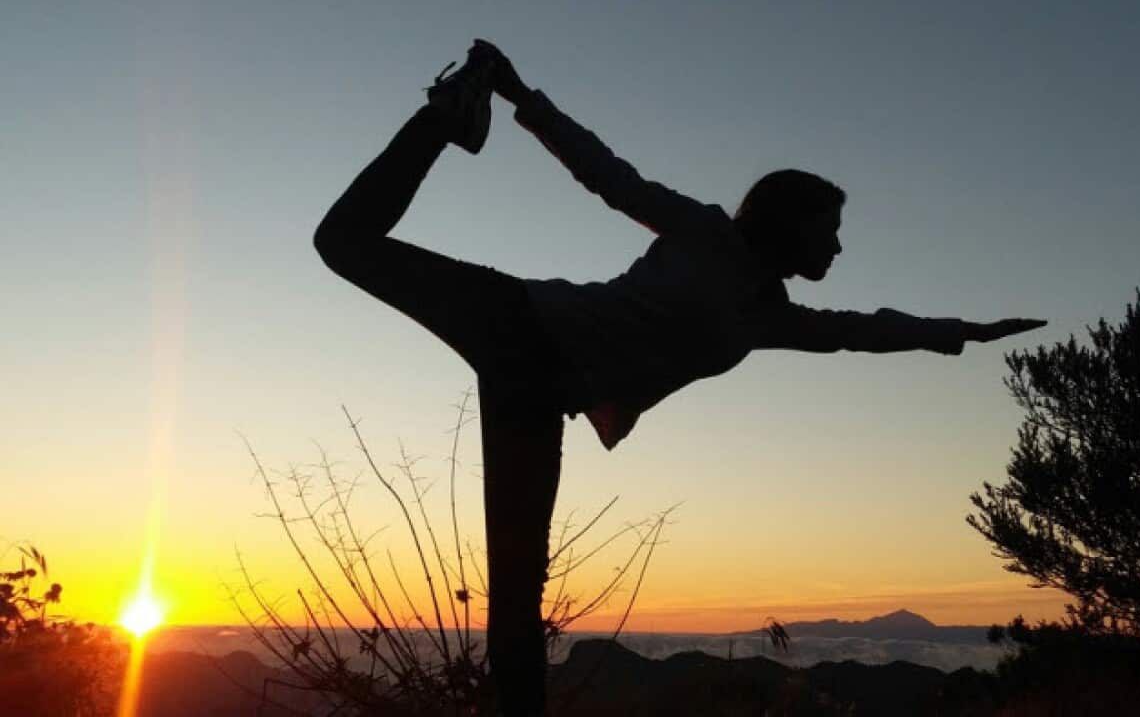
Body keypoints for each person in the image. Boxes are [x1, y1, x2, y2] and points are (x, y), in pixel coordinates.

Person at [313, 39, 1045, 716]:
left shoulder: (769, 317)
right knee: (342, 241)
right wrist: (516, 93)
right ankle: (450, 115)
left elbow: (864, 330)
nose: (839, 246)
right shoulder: (702, 231)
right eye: (828, 229)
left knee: (516, 595)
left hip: (536, 393)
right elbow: (607, 174)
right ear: (788, 223)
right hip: (519, 318)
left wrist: (964, 333)